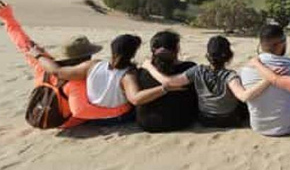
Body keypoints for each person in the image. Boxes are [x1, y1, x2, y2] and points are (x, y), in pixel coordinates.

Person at [27, 33, 176, 124]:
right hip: (115, 119)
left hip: (91, 119)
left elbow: (57, 71)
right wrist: (165, 88)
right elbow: (136, 98)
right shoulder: (128, 74)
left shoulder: (92, 65)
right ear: (132, 53)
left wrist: (38, 55)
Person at [142, 36, 264, 128]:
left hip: (205, 120)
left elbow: (168, 82)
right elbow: (244, 96)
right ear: (229, 56)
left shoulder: (197, 70)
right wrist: (268, 80)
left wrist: (149, 67)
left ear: (207, 55)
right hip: (230, 119)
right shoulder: (230, 75)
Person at [239, 25, 290, 136]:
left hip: (258, 126)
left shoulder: (246, 70)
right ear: (281, 44)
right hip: (288, 127)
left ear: (261, 44)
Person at [135, 31, 198, 132]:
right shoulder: (189, 67)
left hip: (147, 123)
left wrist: (149, 66)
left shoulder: (143, 71)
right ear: (177, 49)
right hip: (181, 121)